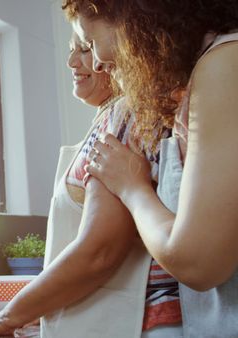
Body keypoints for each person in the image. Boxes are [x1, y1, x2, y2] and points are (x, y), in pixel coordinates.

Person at [0, 25, 175, 337]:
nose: (72, 60)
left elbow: (99, 252)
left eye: (86, 47)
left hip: (136, 325)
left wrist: (9, 316)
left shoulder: (122, 117)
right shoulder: (109, 120)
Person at [76, 1, 238, 337]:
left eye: (91, 42)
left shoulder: (225, 63)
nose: (97, 62)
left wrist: (132, 189)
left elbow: (198, 262)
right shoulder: (207, 77)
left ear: (132, 16)